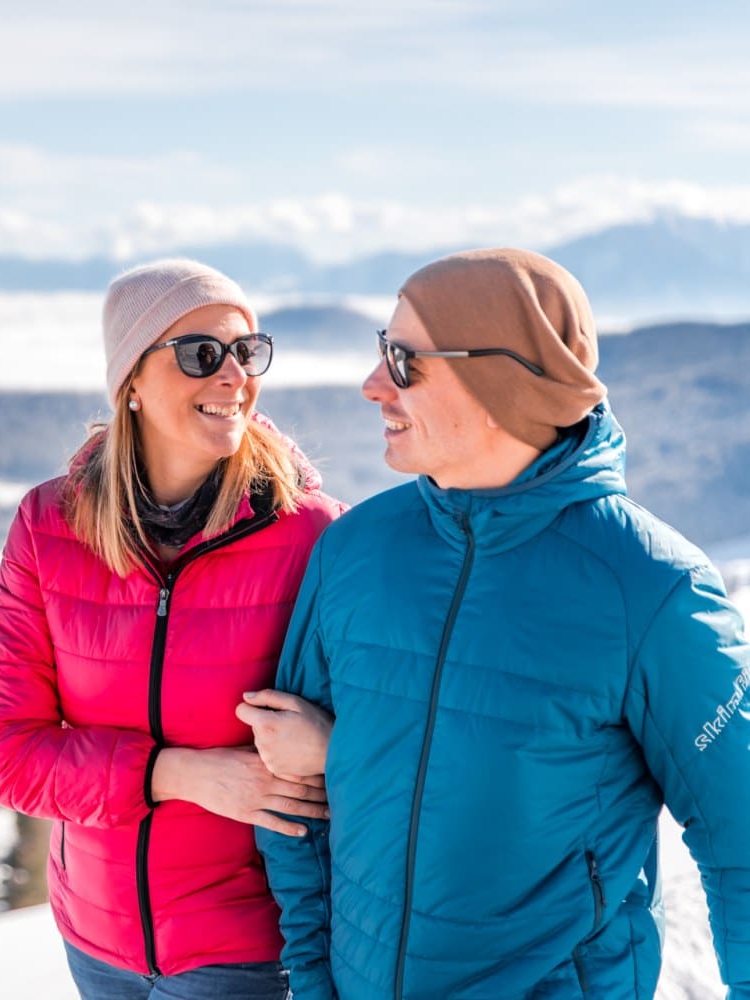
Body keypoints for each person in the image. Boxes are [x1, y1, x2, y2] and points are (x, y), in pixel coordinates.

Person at [245, 247, 750, 998]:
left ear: (502, 380)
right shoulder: (354, 551)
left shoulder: (651, 588)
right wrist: (317, 985)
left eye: (404, 360)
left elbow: (740, 845)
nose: (372, 385)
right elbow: (290, 802)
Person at [0, 258, 343, 1000]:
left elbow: (379, 742)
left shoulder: (311, 538)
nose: (234, 374)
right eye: (203, 354)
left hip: (248, 949)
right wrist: (178, 774)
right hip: (95, 941)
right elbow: (2, 749)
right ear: (131, 383)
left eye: (247, 350)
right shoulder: (49, 526)